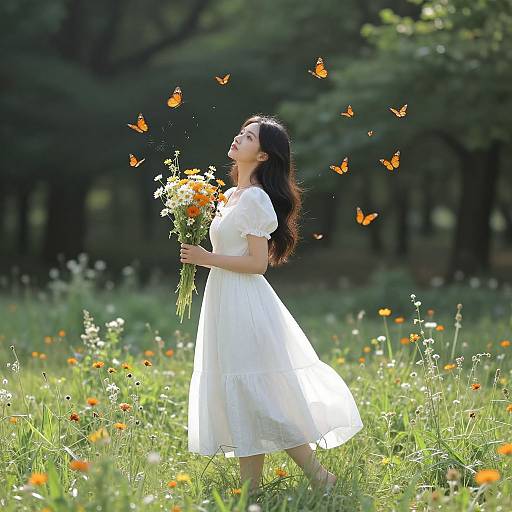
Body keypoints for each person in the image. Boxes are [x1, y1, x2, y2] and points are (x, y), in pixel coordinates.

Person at [180, 114, 363, 494]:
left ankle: (319, 476)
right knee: (244, 393)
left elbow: (257, 263)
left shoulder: (257, 198)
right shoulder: (230, 196)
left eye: (248, 137)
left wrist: (205, 258)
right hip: (223, 298)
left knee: (258, 393)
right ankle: (252, 491)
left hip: (244, 300)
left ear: (263, 156)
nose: (238, 138)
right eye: (241, 132)